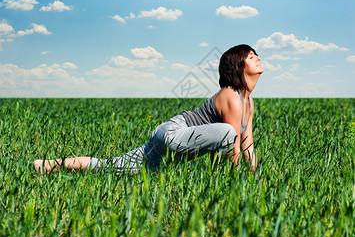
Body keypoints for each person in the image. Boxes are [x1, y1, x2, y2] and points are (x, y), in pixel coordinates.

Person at [34, 44, 263, 174]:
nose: (258, 58)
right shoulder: (231, 96)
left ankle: (47, 166)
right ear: (238, 66)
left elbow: (247, 144)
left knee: (107, 168)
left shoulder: (248, 102)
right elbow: (230, 144)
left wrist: (252, 177)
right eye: (252, 57)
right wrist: (227, 184)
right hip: (175, 134)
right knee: (228, 132)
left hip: (168, 148)